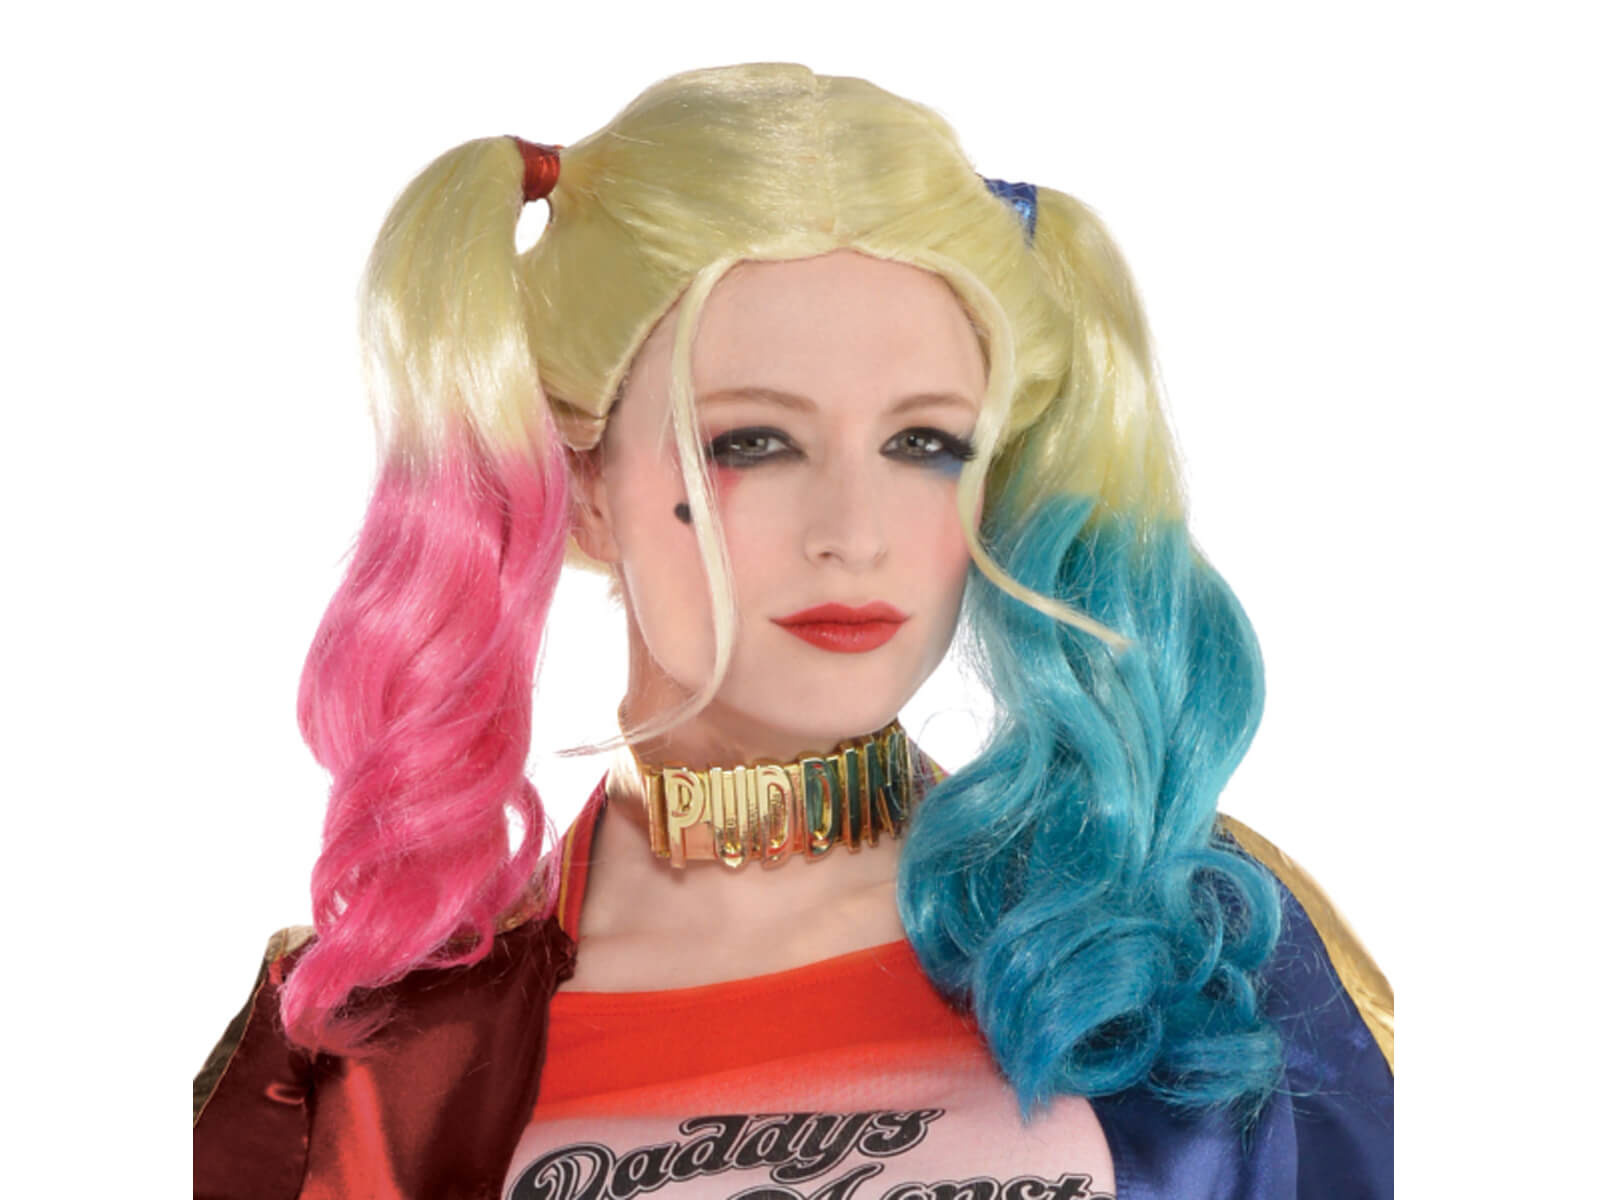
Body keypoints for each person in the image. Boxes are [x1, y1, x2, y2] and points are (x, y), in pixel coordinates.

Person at [193, 63, 1393, 1199]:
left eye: (924, 444)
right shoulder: (370, 1056)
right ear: (586, 483)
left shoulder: (1185, 944)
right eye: (752, 442)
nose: (852, 534)